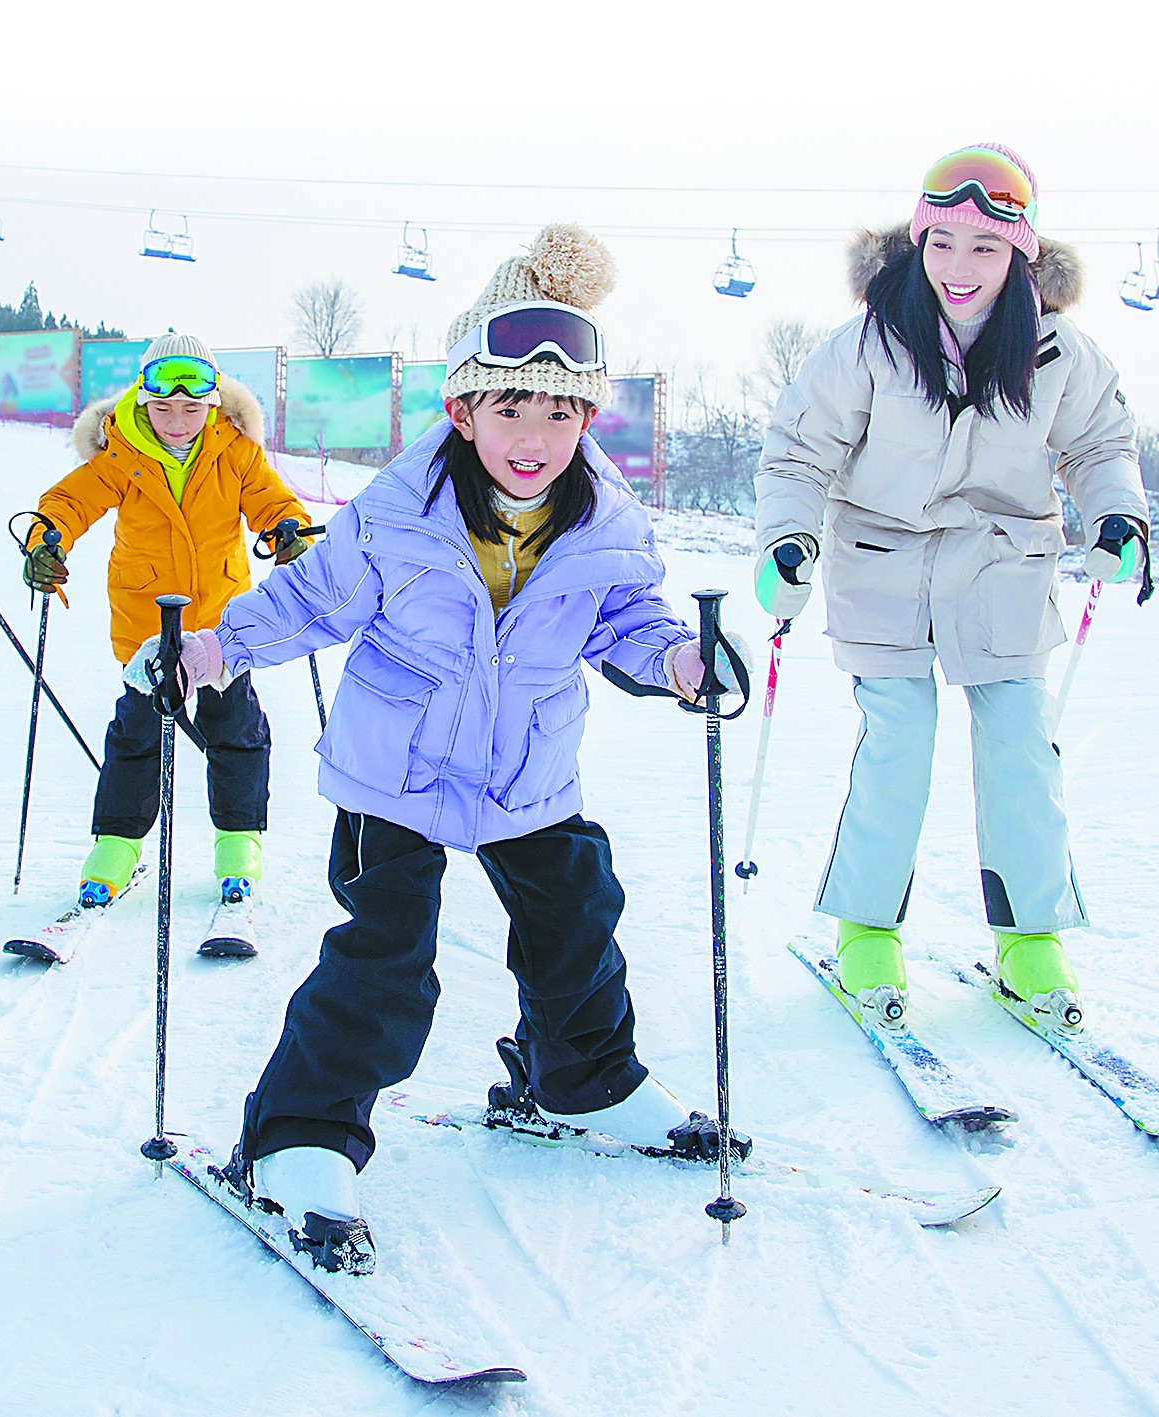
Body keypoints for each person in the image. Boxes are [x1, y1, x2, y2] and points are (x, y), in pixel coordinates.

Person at [132, 226, 744, 1273]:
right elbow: (310, 600)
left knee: (574, 918)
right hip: (400, 769)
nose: (533, 436)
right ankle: (298, 1139)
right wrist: (215, 644)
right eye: (508, 406)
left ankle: (580, 1079)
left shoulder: (606, 524)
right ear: (460, 410)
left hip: (525, 771)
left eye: (559, 412)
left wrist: (681, 658)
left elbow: (624, 623)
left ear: (587, 419)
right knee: (386, 953)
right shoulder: (395, 515)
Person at [753, 143, 1151, 1034]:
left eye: (984, 247)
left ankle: (1030, 940)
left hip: (1002, 566)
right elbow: (799, 451)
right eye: (941, 244)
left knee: (1019, 746)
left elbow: (1100, 448)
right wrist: (787, 537)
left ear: (1021, 254)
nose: (958, 268)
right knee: (900, 739)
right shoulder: (869, 341)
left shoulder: (1056, 351)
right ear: (917, 243)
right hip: (883, 562)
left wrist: (1118, 515)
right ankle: (867, 931)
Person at [24, 335, 309, 912]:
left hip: (222, 623)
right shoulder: (121, 454)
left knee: (235, 731)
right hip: (146, 622)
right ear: (143, 400)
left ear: (212, 404)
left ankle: (238, 844)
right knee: (138, 737)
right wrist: (46, 539)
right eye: (162, 407)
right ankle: (117, 848)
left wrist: (289, 529)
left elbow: (273, 500)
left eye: (191, 408)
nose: (176, 421)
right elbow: (69, 502)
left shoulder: (235, 451)